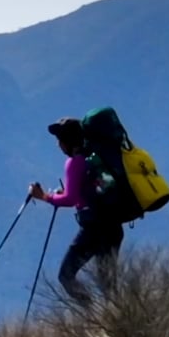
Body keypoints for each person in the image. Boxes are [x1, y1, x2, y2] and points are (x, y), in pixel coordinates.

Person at [28, 117, 124, 308]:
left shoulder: (74, 163)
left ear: (67, 142)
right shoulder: (93, 158)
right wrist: (59, 194)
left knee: (66, 275)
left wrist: (44, 197)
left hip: (94, 229)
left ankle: (94, 316)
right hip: (112, 226)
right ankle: (117, 319)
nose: (58, 144)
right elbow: (85, 192)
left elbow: (70, 199)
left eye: (60, 139)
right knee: (108, 284)